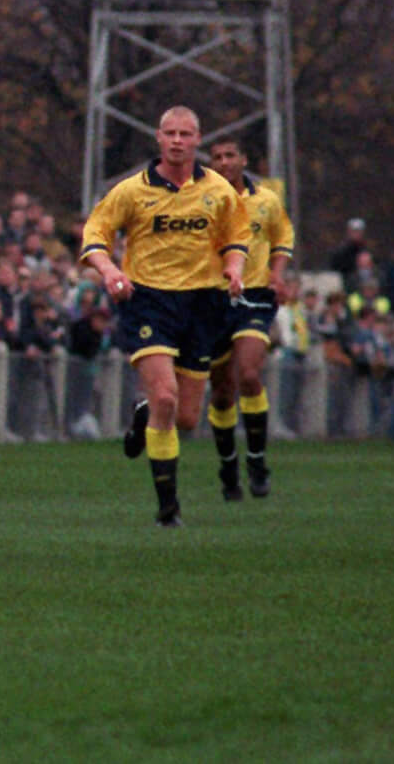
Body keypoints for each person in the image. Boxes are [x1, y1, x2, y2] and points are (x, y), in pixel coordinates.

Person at [80, 106, 248, 527]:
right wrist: (110, 271)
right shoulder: (132, 191)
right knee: (167, 398)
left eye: (185, 134)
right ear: (158, 137)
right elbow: (95, 234)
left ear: (198, 140)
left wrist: (234, 269)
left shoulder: (218, 191)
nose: (177, 140)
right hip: (149, 300)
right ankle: (168, 507)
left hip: (202, 303)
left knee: (186, 418)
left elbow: (236, 238)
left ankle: (144, 413)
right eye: (170, 133)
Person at [204, 136, 295, 501]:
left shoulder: (266, 200)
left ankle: (256, 459)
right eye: (217, 157)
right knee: (222, 391)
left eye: (230, 155)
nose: (224, 162)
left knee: (249, 373)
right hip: (213, 300)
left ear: (243, 159)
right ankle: (228, 465)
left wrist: (278, 274)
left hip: (254, 296)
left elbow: (282, 239)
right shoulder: (202, 201)